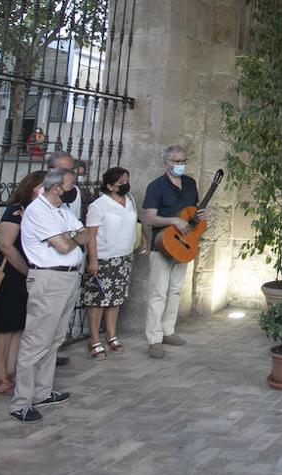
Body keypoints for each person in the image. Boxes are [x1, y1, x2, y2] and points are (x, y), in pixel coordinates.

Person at [9, 167, 89, 423]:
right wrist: (71, 236)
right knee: (36, 340)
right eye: (70, 185)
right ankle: (21, 401)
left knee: (54, 338)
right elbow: (64, 245)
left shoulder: (61, 210)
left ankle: (42, 392)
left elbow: (87, 234)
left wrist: (71, 235)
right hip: (49, 277)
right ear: (56, 188)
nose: (73, 189)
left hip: (68, 277)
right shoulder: (37, 211)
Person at [0, 170, 45, 395]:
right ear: (31, 188)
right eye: (41, 186)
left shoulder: (44, 212)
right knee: (4, 327)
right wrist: (27, 271)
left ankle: (10, 372)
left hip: (30, 272)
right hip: (11, 273)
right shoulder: (15, 211)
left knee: (19, 325)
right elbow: (6, 245)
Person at [140, 144, 205, 359]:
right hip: (162, 245)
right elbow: (149, 218)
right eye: (177, 161)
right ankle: (154, 338)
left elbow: (192, 212)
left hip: (184, 245)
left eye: (184, 161)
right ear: (166, 163)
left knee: (175, 290)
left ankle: (168, 331)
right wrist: (173, 221)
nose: (181, 165)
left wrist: (199, 217)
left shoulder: (189, 183)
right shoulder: (156, 186)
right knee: (158, 292)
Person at [82, 166, 140, 360]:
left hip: (124, 257)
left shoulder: (129, 200)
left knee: (116, 299)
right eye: (121, 182)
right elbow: (91, 235)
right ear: (110, 186)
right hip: (104, 258)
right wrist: (93, 259)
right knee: (98, 300)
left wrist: (142, 241)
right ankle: (94, 339)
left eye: (127, 180)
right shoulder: (99, 205)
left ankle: (111, 334)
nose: (125, 185)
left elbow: (134, 222)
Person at [45, 150, 83, 223]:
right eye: (64, 170)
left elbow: (75, 218)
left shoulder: (74, 190)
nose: (70, 173)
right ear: (51, 171)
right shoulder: (40, 192)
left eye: (71, 169)